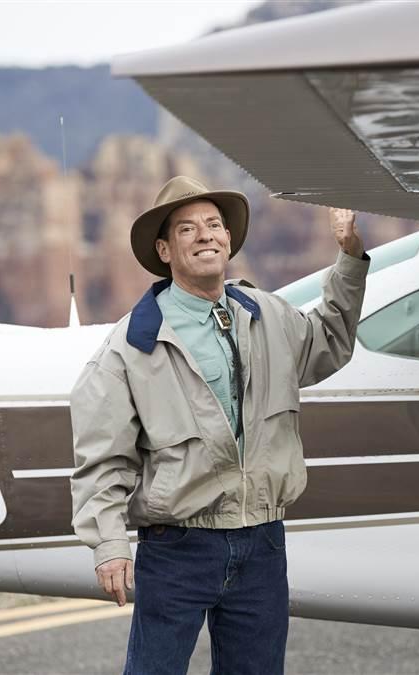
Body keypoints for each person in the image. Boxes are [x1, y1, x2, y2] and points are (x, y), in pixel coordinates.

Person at [69, 175, 368, 675]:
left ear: (228, 239)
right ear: (164, 250)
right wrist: (108, 545)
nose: (206, 235)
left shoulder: (267, 314)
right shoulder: (132, 346)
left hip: (262, 544)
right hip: (177, 548)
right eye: (187, 229)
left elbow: (329, 341)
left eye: (214, 224)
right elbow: (103, 458)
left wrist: (350, 257)